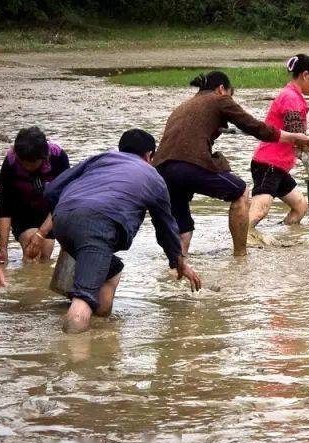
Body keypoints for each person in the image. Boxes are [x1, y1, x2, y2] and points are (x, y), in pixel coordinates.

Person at [44, 129, 201, 334]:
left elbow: (52, 190)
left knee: (113, 271)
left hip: (63, 219)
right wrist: (178, 262)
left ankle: (101, 327)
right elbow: (166, 226)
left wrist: (67, 219)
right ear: (149, 155)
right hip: (97, 226)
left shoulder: (101, 158)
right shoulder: (152, 177)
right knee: (83, 300)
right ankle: (73, 361)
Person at [153, 71, 309, 257]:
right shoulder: (219, 99)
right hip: (189, 163)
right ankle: (240, 257)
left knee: (183, 228)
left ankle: (176, 270)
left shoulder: (183, 106)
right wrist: (291, 137)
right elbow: (255, 127)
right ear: (221, 89)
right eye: (230, 94)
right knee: (241, 192)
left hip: (160, 169)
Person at [248, 54, 309, 231]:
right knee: (260, 211)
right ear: (306, 75)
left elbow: (297, 137)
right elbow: (297, 136)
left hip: (279, 167)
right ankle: (242, 241)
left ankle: (281, 237)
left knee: (300, 206)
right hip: (269, 164)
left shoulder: (294, 96)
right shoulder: (290, 97)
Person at [0, 126, 70, 263]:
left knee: (45, 256)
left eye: (32, 164)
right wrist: (3, 248)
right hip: (23, 211)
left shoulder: (58, 157)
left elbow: (64, 201)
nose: (27, 168)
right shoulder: (10, 163)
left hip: (51, 211)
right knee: (32, 250)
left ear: (44, 157)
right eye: (23, 164)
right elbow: (4, 207)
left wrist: (41, 233)